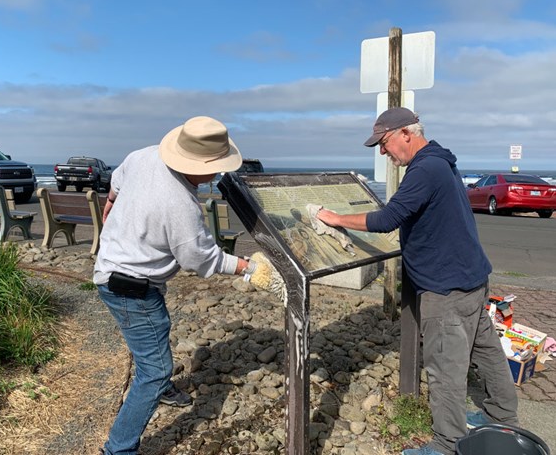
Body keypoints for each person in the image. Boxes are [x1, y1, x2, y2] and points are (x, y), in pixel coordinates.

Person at [315, 107, 518, 455]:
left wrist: (336, 218)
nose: (383, 152)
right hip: (470, 277)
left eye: (384, 142)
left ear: (407, 133)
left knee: (445, 368)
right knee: (485, 352)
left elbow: (388, 218)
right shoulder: (441, 161)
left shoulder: (425, 169)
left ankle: (447, 444)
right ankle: (502, 418)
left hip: (446, 286)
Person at [93, 116, 279, 455]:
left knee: (153, 334)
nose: (218, 174)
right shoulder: (179, 204)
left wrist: (110, 203)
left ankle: (158, 387)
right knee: (155, 368)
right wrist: (249, 268)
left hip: (117, 270)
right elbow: (201, 259)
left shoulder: (144, 155)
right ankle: (118, 448)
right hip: (130, 286)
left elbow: (117, 180)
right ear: (199, 165)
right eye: (217, 167)